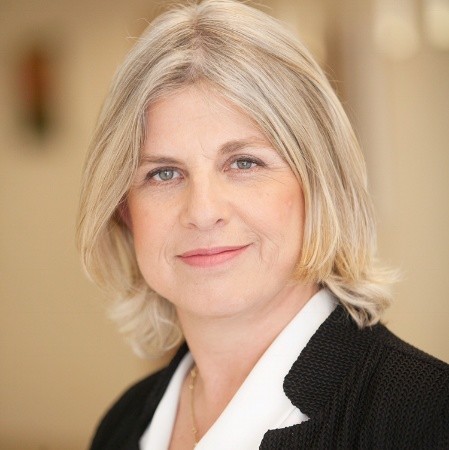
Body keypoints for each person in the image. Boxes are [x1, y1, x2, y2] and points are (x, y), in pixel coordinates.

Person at [77, 1, 449, 448]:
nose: (202, 211)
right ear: (123, 208)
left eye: (244, 163)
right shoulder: (121, 426)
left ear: (318, 183)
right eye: (164, 173)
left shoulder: (428, 417)